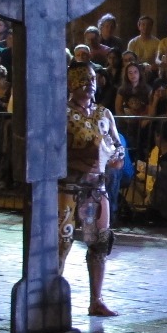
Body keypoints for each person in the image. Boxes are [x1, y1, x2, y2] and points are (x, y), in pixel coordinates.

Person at [59, 62, 126, 316]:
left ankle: (96, 299)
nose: (88, 84)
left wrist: (112, 156)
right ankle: (53, 296)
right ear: (70, 83)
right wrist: (82, 158)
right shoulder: (62, 112)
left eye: (92, 79)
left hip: (95, 188)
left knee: (98, 241)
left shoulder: (103, 113)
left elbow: (118, 146)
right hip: (68, 186)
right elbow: (54, 149)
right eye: (82, 79)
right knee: (61, 242)